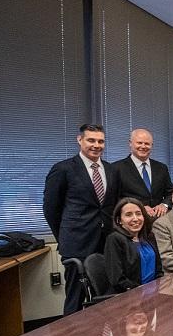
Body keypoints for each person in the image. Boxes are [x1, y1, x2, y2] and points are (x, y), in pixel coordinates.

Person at [43, 123, 120, 314]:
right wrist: (65, 238)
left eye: (100, 141)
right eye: (91, 140)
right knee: (75, 298)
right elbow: (51, 209)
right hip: (77, 244)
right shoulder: (63, 169)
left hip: (106, 242)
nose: (96, 145)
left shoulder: (112, 170)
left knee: (106, 297)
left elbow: (113, 205)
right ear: (80, 140)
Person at [103, 198, 163, 293]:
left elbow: (159, 270)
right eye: (128, 215)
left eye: (138, 214)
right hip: (129, 296)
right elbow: (117, 280)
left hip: (154, 293)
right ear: (119, 220)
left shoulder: (149, 237)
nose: (135, 219)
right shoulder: (114, 239)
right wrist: (143, 291)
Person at [111, 128, 173, 218]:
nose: (143, 146)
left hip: (159, 220)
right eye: (139, 143)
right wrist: (137, 207)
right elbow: (114, 198)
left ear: (152, 145)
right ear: (130, 143)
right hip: (132, 221)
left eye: (147, 144)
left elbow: (170, 192)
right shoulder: (116, 168)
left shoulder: (161, 168)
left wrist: (164, 204)